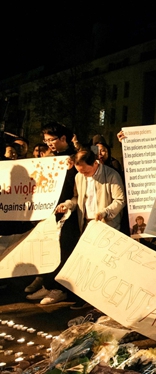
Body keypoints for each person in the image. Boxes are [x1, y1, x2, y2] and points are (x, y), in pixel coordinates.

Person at [26, 122, 79, 305]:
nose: (48, 144)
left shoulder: (73, 158)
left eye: (51, 140)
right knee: (47, 249)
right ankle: (48, 285)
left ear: (63, 138)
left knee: (63, 249)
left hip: (67, 211)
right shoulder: (50, 157)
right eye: (46, 140)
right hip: (48, 210)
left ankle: (61, 289)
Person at [56, 148, 126, 233]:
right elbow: (77, 197)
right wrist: (68, 205)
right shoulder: (79, 176)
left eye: (86, 172)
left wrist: (104, 212)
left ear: (95, 163)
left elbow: (120, 200)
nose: (83, 175)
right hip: (86, 223)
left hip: (107, 224)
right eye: (80, 171)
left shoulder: (111, 175)